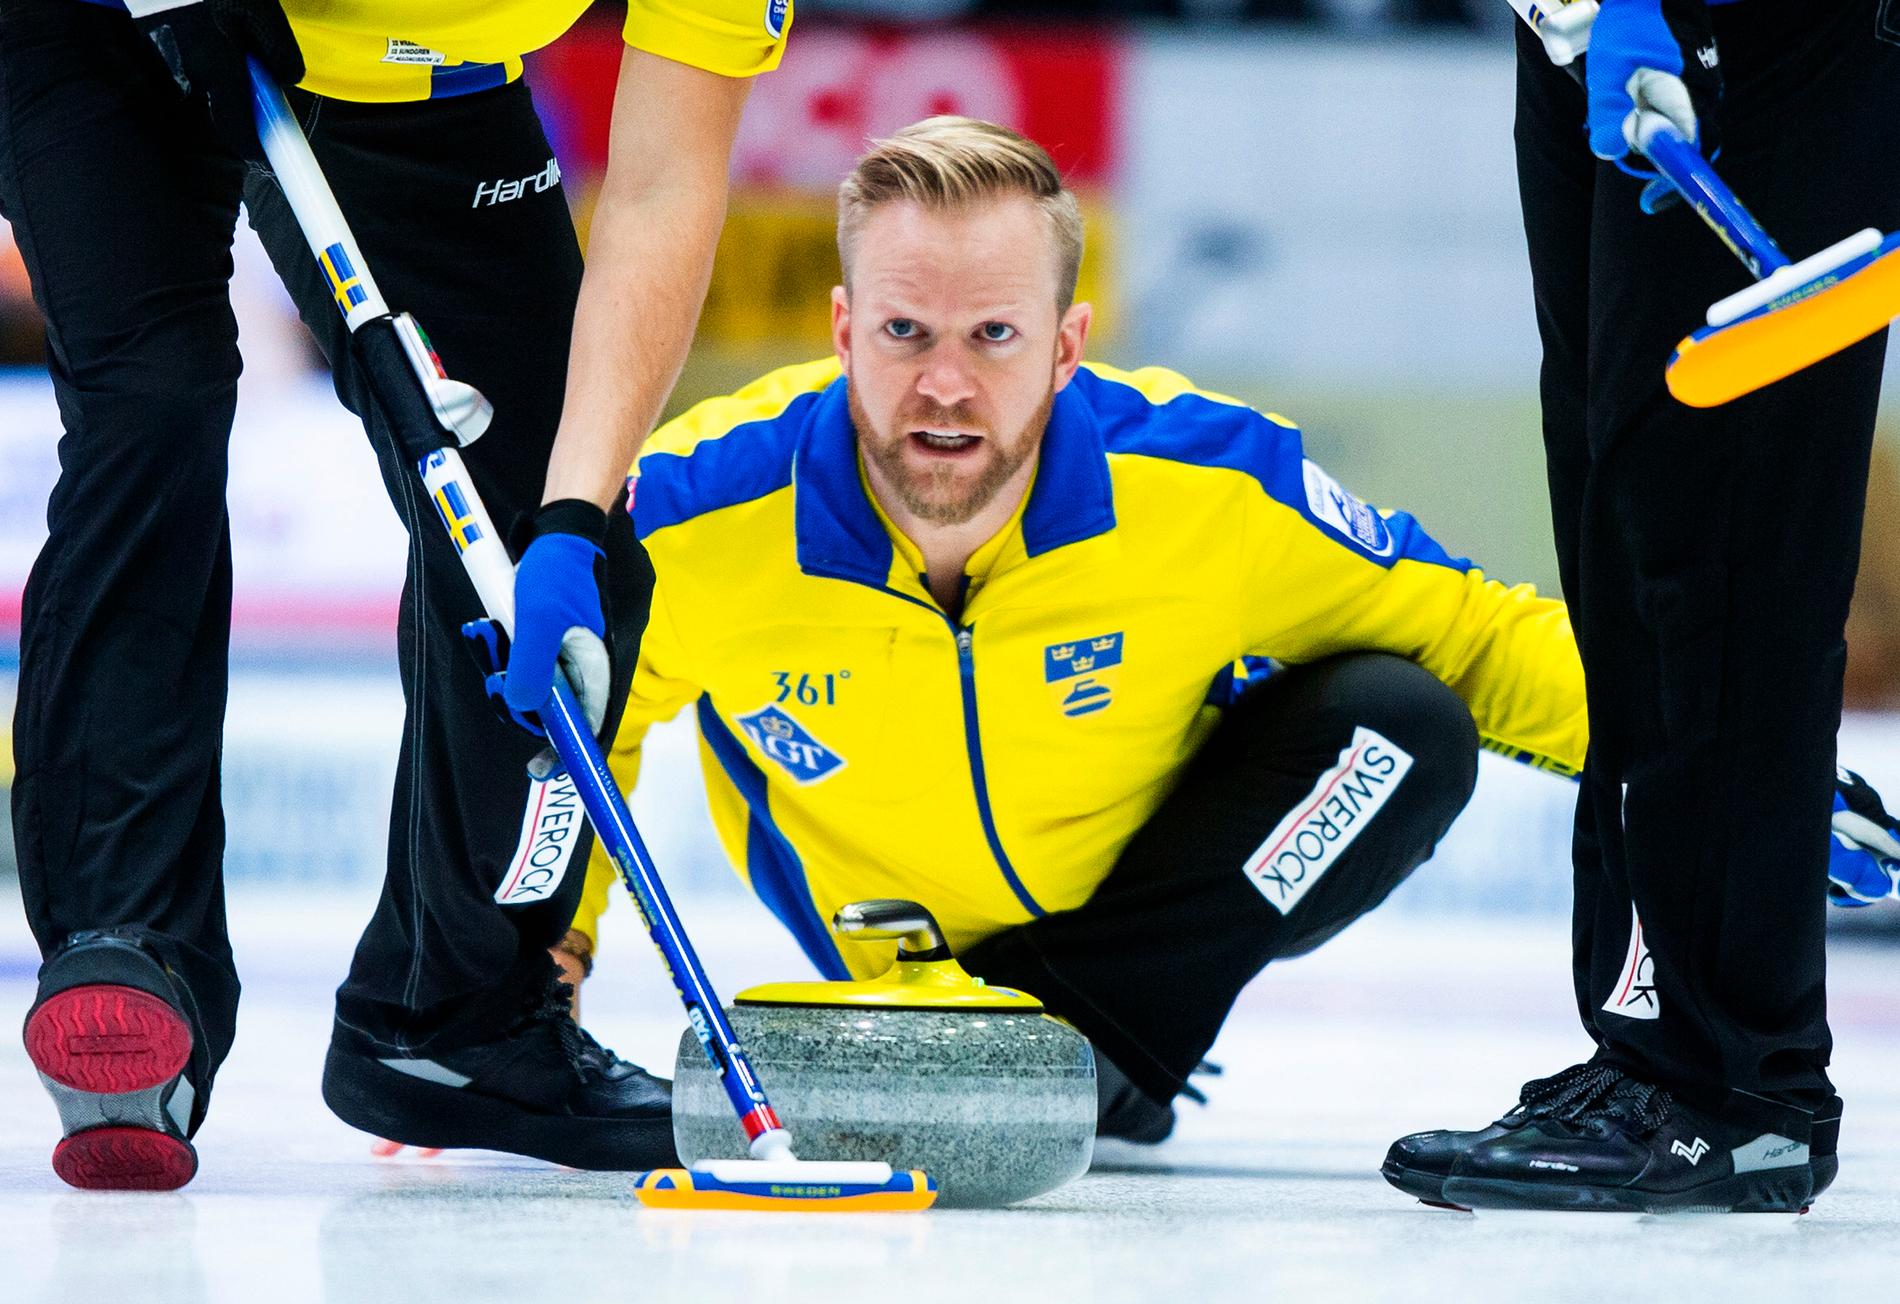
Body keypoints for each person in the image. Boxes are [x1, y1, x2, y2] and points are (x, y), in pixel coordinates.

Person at [561, 114, 1589, 1142]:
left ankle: (1081, 1038)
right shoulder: (697, 513)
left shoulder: (1205, 488)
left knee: (1399, 726)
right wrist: (541, 967)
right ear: (841, 332)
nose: (946, 385)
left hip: (1143, 929)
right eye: (903, 331)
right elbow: (582, 716)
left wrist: (1723, 773)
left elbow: (1479, 631)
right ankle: (1086, 1057)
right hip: (895, 973)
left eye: (994, 335)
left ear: (1065, 348)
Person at [3, 0, 789, 1190]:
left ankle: (452, 1019)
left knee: (547, 529)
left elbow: (662, 190)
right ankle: (128, 947)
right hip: (101, 25)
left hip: (405, 75)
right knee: (154, 398)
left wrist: (575, 514)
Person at [1384, 0, 1900, 1213]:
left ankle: (1731, 1086)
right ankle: (1649, 1048)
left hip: (1754, 34)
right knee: (1620, 552)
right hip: (1589, 26)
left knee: (1710, 552)